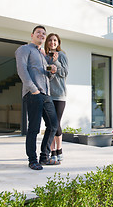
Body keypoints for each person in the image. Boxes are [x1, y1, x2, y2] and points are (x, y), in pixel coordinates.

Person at [15, 25, 61, 170]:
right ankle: (32, 160)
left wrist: (52, 69)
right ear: (32, 35)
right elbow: (22, 70)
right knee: (34, 128)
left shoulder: (43, 55)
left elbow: (47, 74)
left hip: (46, 94)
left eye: (43, 33)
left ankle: (44, 157)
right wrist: (33, 89)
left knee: (53, 125)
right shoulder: (24, 49)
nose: (41, 35)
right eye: (38, 32)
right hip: (33, 94)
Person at [44, 33, 68, 162]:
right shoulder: (45, 57)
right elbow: (47, 76)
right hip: (48, 95)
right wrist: (51, 70)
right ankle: (52, 150)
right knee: (50, 124)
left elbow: (64, 73)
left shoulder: (62, 55)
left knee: (56, 123)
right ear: (47, 43)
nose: (52, 42)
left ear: (58, 42)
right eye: (50, 40)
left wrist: (56, 62)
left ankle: (59, 149)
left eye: (55, 40)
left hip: (59, 95)